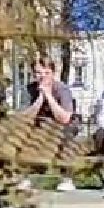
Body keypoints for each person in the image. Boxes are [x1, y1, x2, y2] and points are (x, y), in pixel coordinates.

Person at [27, 58, 78, 192]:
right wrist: (40, 98)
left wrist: (49, 96)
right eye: (38, 73)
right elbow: (27, 116)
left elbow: (65, 117)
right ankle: (28, 176)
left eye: (47, 73)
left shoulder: (62, 89)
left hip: (62, 124)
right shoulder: (31, 89)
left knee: (65, 133)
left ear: (53, 73)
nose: (42, 76)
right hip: (42, 124)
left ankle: (66, 178)